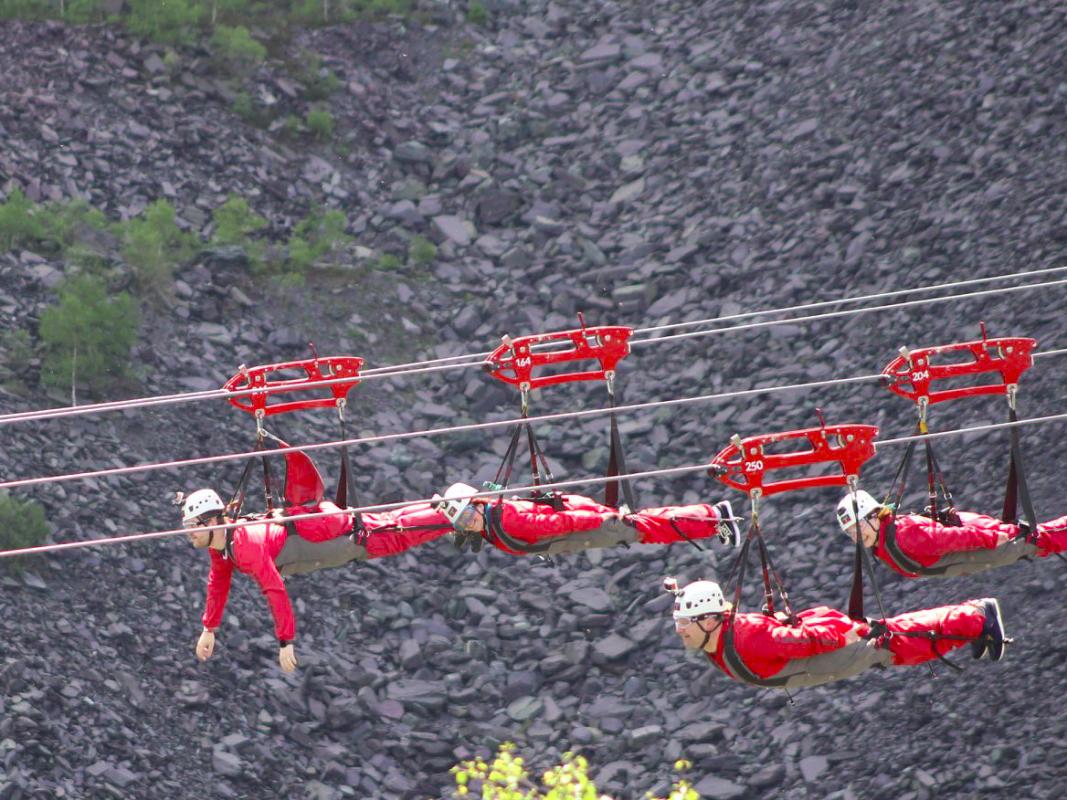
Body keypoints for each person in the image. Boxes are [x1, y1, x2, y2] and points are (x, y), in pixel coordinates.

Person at [181, 488, 450, 673]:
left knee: (393, 536)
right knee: (385, 523)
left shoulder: (244, 546)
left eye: (193, 526)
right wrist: (209, 628)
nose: (189, 533)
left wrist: (286, 641)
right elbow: (217, 582)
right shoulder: (222, 545)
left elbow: (275, 590)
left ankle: (450, 516)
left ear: (213, 521)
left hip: (331, 542)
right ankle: (439, 507)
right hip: (322, 531)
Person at [666, 577, 1008, 689]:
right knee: (896, 642)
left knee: (897, 645)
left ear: (709, 620)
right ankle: (972, 625)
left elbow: (798, 641)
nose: (679, 631)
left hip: (832, 651)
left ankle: (977, 618)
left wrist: (844, 635)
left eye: (684, 623)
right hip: (822, 661)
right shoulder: (718, 639)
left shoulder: (746, 635)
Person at [431, 482, 742, 556]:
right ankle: (712, 519)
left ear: (477, 504)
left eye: (469, 514)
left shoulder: (507, 521)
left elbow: (558, 524)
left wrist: (599, 518)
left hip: (584, 525)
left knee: (647, 529)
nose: (469, 522)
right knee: (646, 526)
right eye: (463, 522)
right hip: (579, 524)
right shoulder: (491, 521)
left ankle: (713, 518)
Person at [835, 490, 1067, 578]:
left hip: (985, 545)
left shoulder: (903, 535)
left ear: (874, 515)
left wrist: (991, 539)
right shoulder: (882, 542)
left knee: (1037, 539)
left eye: (857, 527)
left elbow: (951, 539)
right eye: (850, 533)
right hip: (977, 549)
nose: (855, 536)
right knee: (1038, 540)